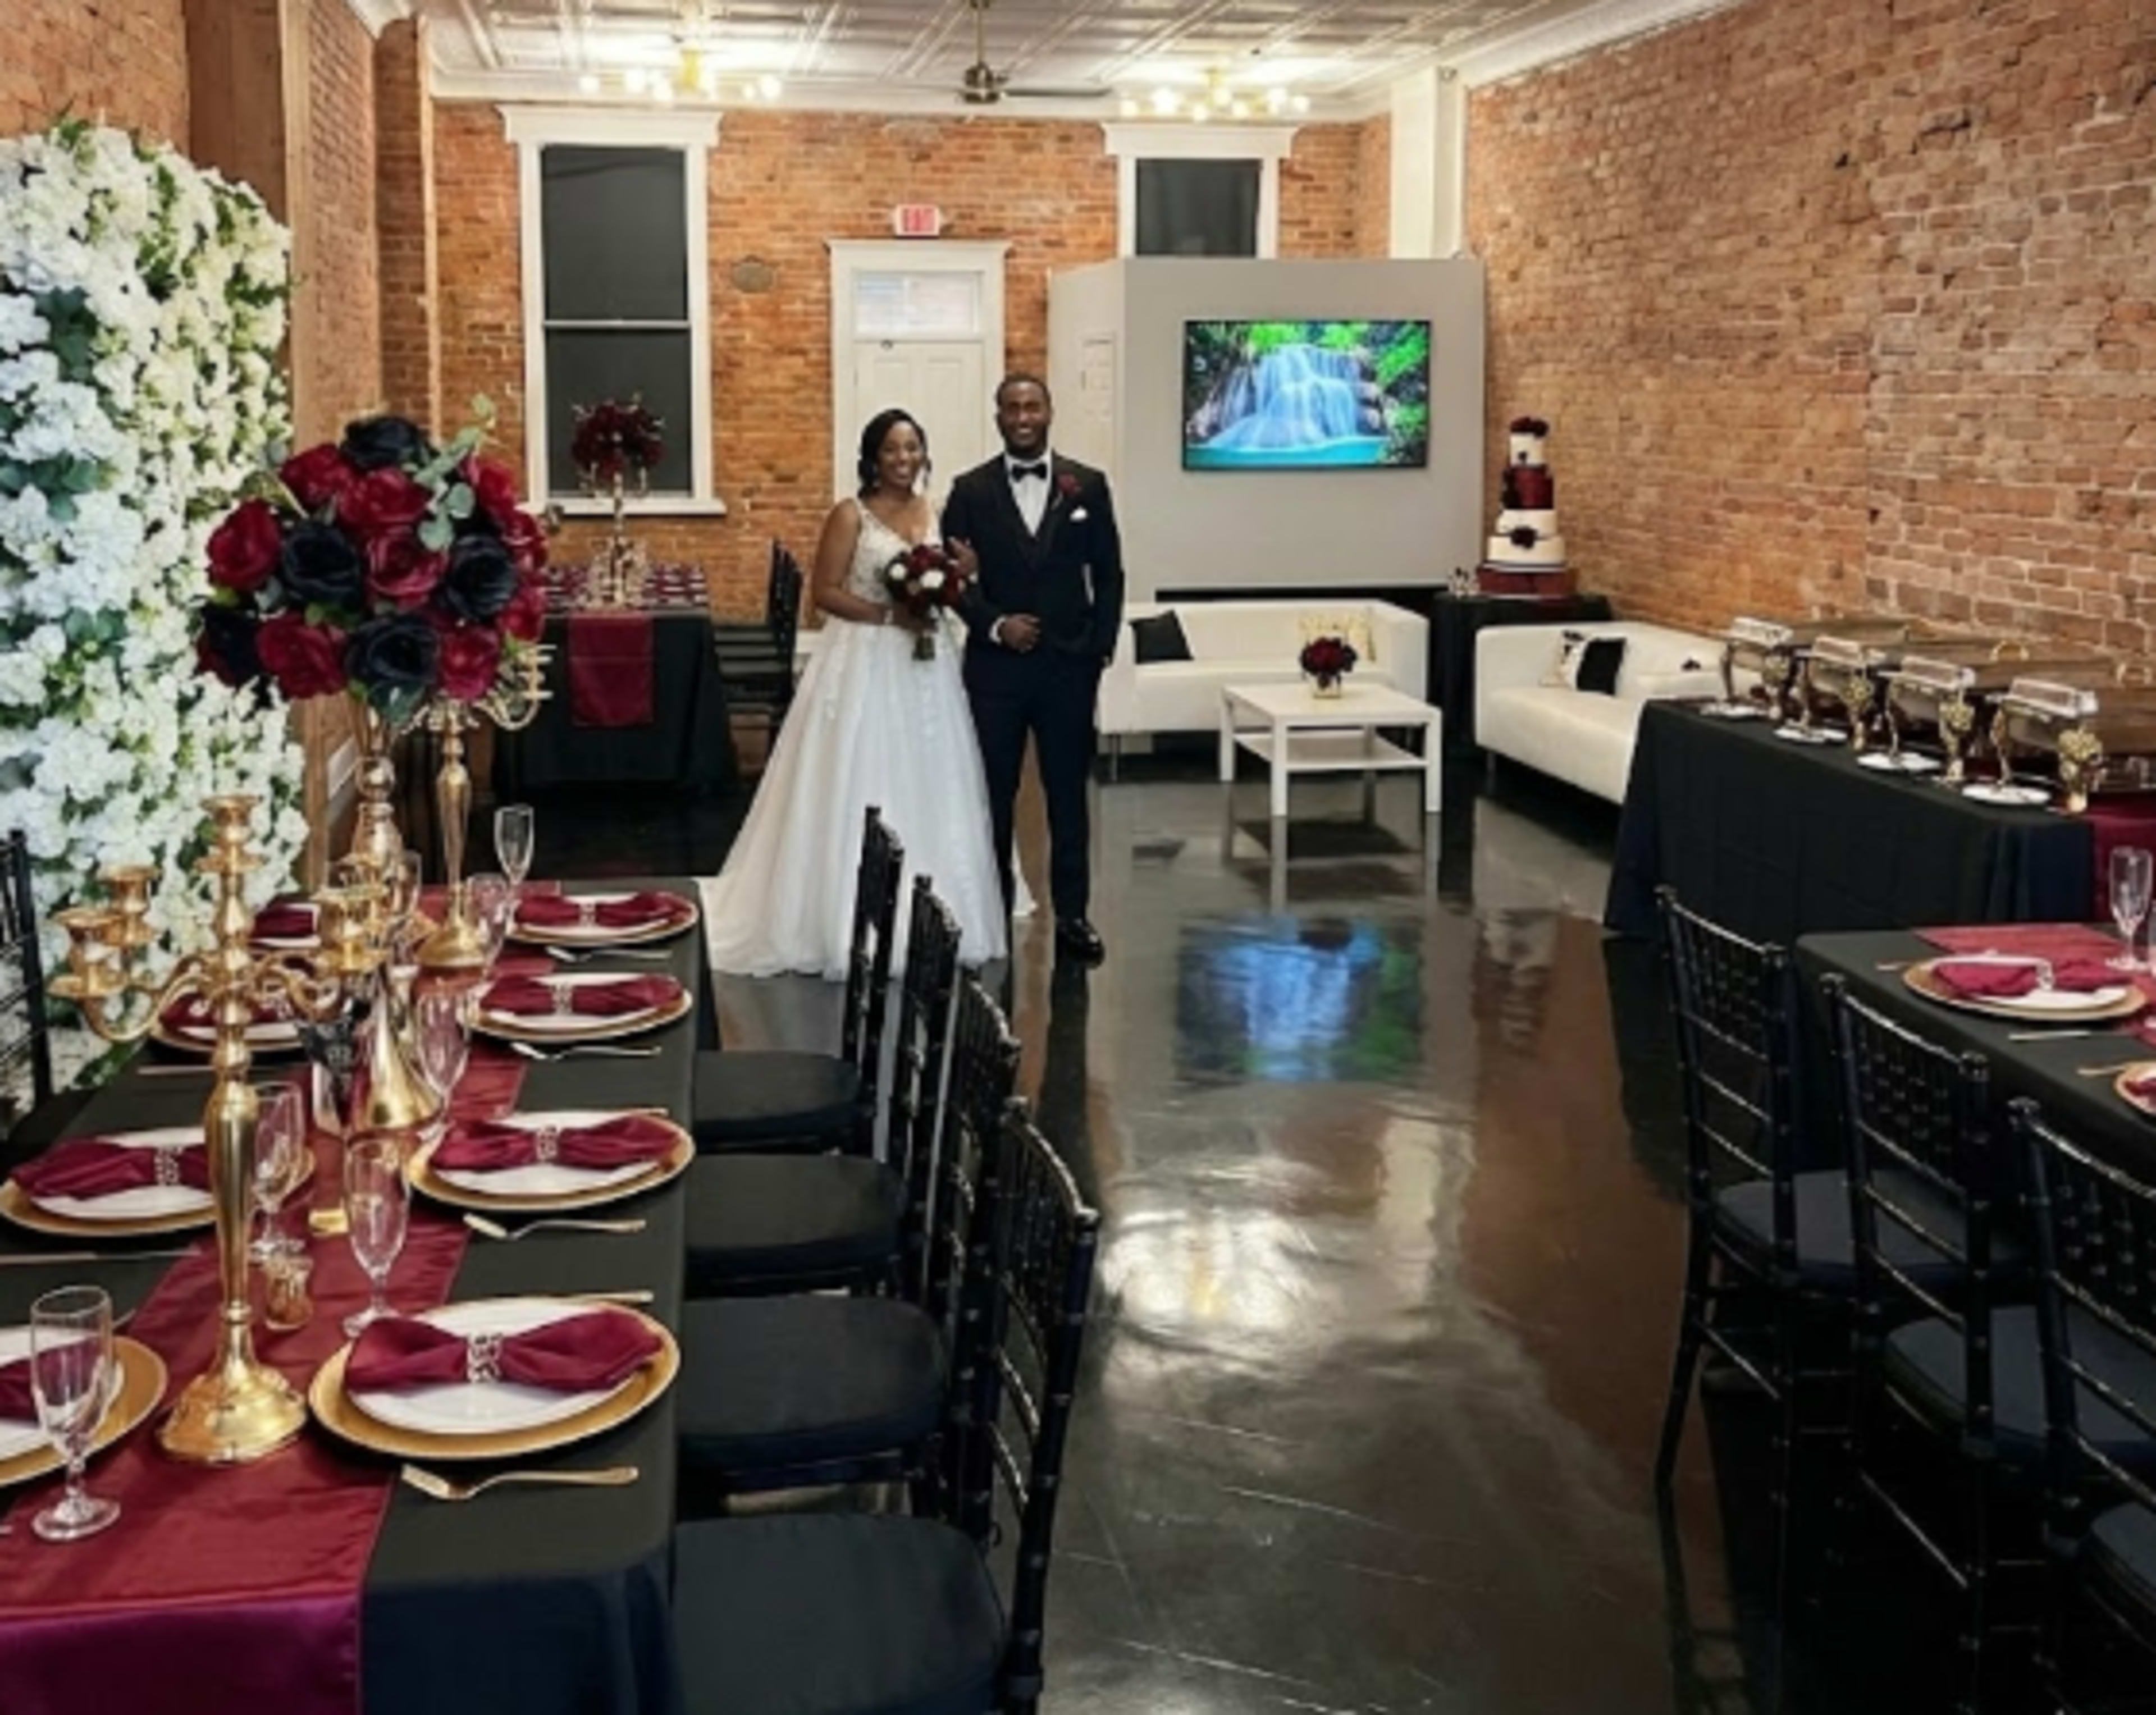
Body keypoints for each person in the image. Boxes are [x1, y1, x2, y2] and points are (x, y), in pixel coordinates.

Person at [701, 409, 1010, 978]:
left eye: (912, 448)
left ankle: (939, 910)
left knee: (933, 777)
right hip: (866, 656)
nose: (903, 459)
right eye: (892, 449)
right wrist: (888, 614)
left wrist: (963, 573)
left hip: (929, 665)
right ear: (872, 456)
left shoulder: (935, 509)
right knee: (861, 773)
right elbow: (823, 593)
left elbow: (960, 585)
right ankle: (843, 917)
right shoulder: (851, 515)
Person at [942, 374, 1124, 966]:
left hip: (1069, 670)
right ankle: (992, 913)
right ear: (997, 416)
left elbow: (1111, 573)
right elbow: (950, 582)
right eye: (1012, 408)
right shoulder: (968, 490)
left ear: (1050, 412)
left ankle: (1073, 915)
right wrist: (996, 624)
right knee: (992, 794)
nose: (1023, 417)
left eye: (1032, 406)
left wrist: (1099, 649)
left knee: (1068, 797)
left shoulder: (1088, 486)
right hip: (996, 671)